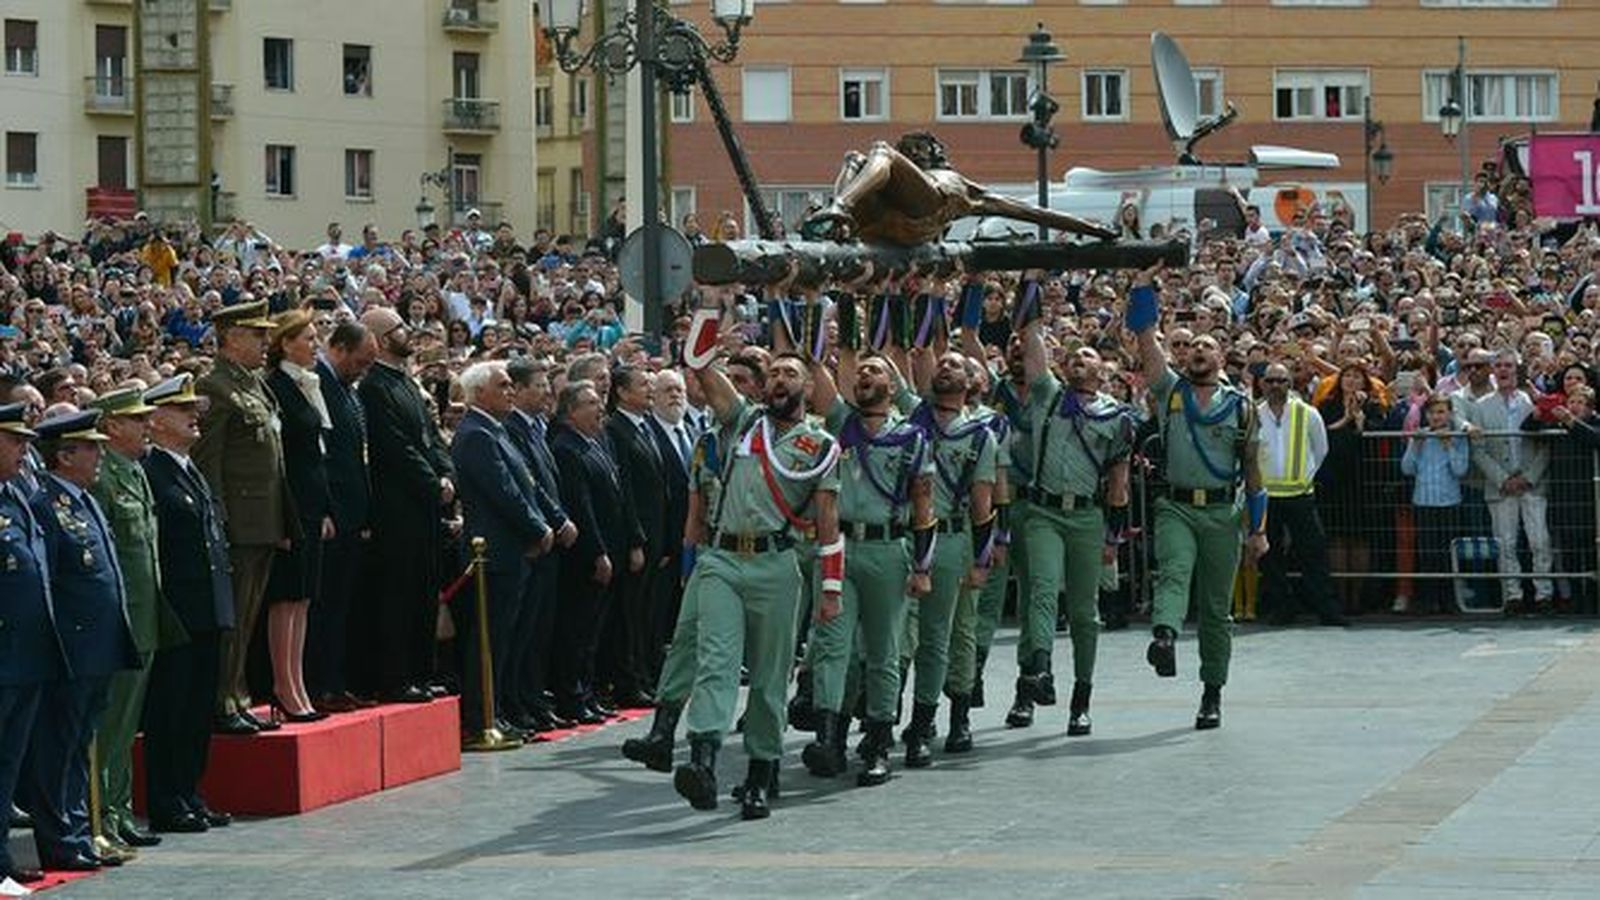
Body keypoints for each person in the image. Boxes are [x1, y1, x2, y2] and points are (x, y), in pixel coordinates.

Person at [672, 352, 841, 819]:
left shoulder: (821, 446)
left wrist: (831, 588)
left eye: (791, 373)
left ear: (807, 388)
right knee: (716, 660)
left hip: (778, 563)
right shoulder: (744, 422)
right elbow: (707, 375)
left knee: (770, 677)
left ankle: (760, 775)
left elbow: (827, 521)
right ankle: (702, 760)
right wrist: (705, 321)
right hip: (724, 557)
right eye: (775, 373)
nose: (780, 379)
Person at [1130, 265, 1268, 730]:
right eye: (1190, 347)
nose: (1197, 351)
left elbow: (1252, 472)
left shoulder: (1241, 406)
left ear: (1223, 357)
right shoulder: (1171, 392)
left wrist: (1258, 530)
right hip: (1177, 505)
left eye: (1207, 345)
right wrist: (1143, 291)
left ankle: (1212, 691)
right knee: (1173, 571)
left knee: (1215, 609)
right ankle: (1165, 637)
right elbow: (1148, 345)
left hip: (1222, 513)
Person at [803, 345, 933, 787]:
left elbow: (923, 502)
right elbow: (820, 374)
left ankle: (878, 742)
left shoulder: (912, 436)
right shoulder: (842, 424)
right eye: (859, 373)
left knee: (883, 652)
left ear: (892, 387)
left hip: (887, 548)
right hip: (840, 546)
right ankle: (829, 738)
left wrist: (922, 565)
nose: (864, 376)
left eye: (874, 371)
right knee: (833, 645)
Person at [18, 408, 139, 872]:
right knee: (59, 745)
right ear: (64, 455)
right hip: (72, 645)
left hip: (98, 643)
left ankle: (78, 829)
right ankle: (60, 836)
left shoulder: (82, 499)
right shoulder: (47, 504)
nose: (99, 455)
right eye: (89, 447)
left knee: (79, 741)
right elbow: (49, 580)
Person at [1016, 296, 1134, 737]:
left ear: (1104, 370)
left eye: (1087, 355)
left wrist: (1113, 537)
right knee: (1044, 590)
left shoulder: (1117, 417)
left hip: (1087, 517)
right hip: (1044, 511)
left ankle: (1081, 697)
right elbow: (1030, 340)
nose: (1076, 359)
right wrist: (1029, 285)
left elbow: (1119, 483)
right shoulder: (1047, 394)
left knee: (1086, 613)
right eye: (1071, 355)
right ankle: (1041, 669)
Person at [140, 374, 235, 834]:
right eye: (183, 410)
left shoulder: (188, 468)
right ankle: (167, 799)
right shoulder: (152, 473)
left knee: (198, 709)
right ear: (156, 422)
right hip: (178, 611)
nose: (194, 416)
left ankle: (190, 793)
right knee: (171, 708)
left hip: (207, 608)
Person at [891, 346, 995, 768]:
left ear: (972, 384)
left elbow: (983, 502)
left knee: (951, 634)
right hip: (906, 537)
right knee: (900, 632)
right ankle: (887, 711)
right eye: (943, 362)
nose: (946, 367)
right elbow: (894, 369)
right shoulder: (913, 418)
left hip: (952, 538)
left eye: (957, 364)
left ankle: (946, 716)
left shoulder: (980, 433)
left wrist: (981, 560)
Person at [192, 299, 292, 735]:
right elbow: (208, 463)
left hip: (262, 519)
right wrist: (219, 520)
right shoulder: (215, 386)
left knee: (247, 615)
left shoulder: (253, 384)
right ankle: (223, 699)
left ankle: (238, 694)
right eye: (257, 334)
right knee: (232, 616)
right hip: (239, 522)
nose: (266, 342)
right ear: (231, 337)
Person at [84, 387, 172, 855]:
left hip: (145, 618)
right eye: (137, 420)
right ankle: (102, 814)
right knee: (110, 723)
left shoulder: (134, 473)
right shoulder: (103, 480)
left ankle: (119, 809)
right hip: (121, 622)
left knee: (127, 724)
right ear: (112, 426)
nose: (146, 426)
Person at [355, 307, 455, 704]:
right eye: (398, 328)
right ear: (379, 339)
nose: (407, 332)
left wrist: (448, 475)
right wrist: (434, 484)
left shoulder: (409, 384)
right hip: (397, 507)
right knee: (399, 596)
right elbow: (396, 447)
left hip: (426, 506)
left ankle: (421, 671)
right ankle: (396, 677)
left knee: (424, 593)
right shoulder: (375, 388)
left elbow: (432, 438)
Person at [450, 361, 551, 743]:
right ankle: (481, 718)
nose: (511, 391)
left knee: (507, 638)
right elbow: (503, 490)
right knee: (489, 640)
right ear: (479, 394)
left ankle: (498, 712)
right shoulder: (477, 434)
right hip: (492, 553)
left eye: (512, 385)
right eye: (503, 385)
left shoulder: (496, 431)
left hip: (510, 551)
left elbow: (525, 483)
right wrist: (537, 527)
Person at [262, 311, 334, 723]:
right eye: (307, 337)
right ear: (286, 343)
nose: (314, 342)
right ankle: (283, 684)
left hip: (311, 502)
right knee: (286, 597)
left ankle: (298, 680)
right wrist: (284, 516)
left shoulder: (310, 385)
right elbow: (280, 459)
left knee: (304, 597)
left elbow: (317, 455)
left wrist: (324, 509)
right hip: (290, 502)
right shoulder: (277, 387)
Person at [0, 403, 61, 891]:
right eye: (15, 441)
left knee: (9, 759)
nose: (25, 451)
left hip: (27, 652)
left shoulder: (17, 494)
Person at [549, 381, 629, 724]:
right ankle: (572, 697)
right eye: (591, 404)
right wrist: (597, 553)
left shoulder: (593, 443)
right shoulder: (567, 449)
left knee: (592, 633)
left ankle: (588, 692)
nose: (600, 409)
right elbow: (581, 508)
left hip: (608, 551)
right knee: (576, 633)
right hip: (585, 559)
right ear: (570, 412)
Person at [309, 322, 376, 712]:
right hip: (333, 516)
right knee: (325, 606)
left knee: (341, 607)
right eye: (359, 360)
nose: (362, 369)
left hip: (353, 515)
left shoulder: (347, 391)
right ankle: (320, 684)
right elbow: (324, 458)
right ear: (338, 347)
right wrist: (328, 509)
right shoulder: (319, 385)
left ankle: (335, 681)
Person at [1255, 362, 1345, 627]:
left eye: (1281, 381)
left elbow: (1321, 449)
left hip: (1300, 494)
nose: (1275, 386)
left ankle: (1326, 607)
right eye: (1270, 381)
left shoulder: (1308, 413)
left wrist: (1306, 475)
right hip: (1266, 496)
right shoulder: (1253, 414)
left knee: (1313, 552)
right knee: (1270, 558)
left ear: (1290, 384)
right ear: (1262, 384)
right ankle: (1283, 606)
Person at [600, 365, 665, 708]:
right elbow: (623, 490)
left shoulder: (646, 427)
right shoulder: (616, 430)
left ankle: (643, 674)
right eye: (643, 384)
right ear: (622, 392)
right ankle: (627, 681)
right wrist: (636, 540)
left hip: (655, 537)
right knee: (629, 615)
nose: (650, 389)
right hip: (633, 539)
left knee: (646, 613)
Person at [1470, 349, 1553, 614]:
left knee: (1539, 540)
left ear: (1517, 371)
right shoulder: (1480, 407)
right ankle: (1512, 595)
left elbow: (1545, 445)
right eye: (1499, 366)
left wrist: (1529, 478)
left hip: (1531, 484)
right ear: (1493, 371)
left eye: (1509, 365)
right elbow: (1478, 450)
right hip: (1501, 487)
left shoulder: (1532, 403)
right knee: (1505, 543)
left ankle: (1544, 594)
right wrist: (1502, 479)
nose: (1504, 370)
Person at [1401, 394, 1471, 615]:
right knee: (1428, 552)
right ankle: (1429, 599)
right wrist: (1416, 446)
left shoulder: (1458, 437)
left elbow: (1461, 470)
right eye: (1432, 413)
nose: (1436, 417)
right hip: (1424, 501)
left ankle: (1449, 599)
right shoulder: (1420, 437)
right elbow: (1407, 468)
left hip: (1449, 501)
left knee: (1448, 553)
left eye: (1441, 412)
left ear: (1449, 414)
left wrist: (1449, 445)